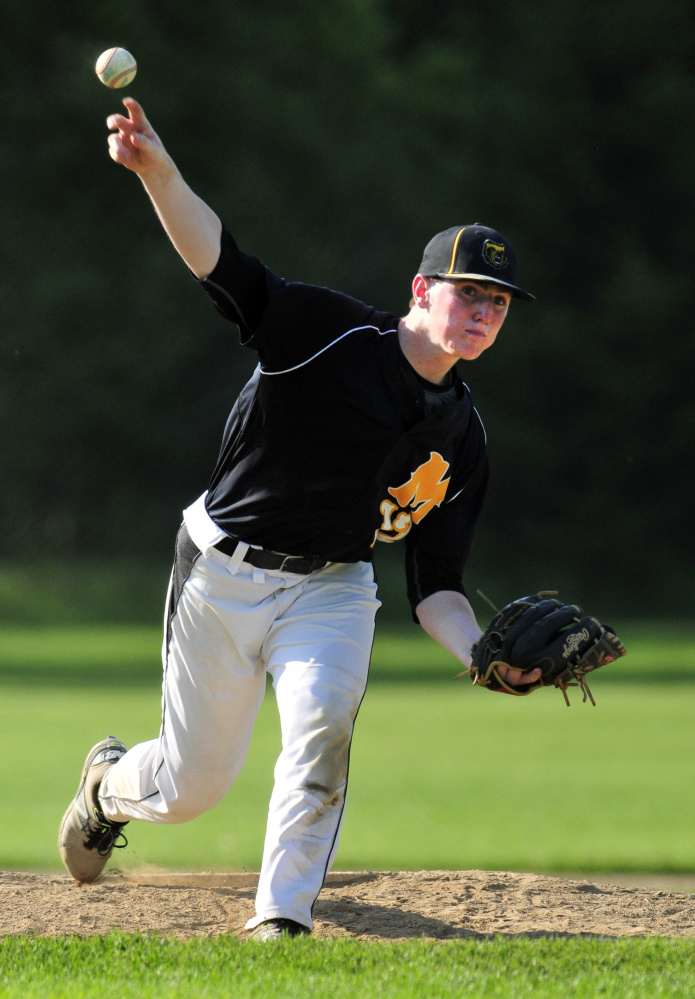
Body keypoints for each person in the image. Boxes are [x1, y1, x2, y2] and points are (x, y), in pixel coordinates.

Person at [59, 98, 539, 940]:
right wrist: (159, 175)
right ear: (422, 291)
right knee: (190, 784)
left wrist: (484, 659)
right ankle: (106, 787)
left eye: (497, 304)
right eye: (469, 293)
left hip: (335, 590)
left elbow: (436, 589)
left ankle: (281, 917)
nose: (482, 313)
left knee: (321, 726)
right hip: (222, 569)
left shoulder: (463, 436)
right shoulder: (326, 334)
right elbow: (225, 266)